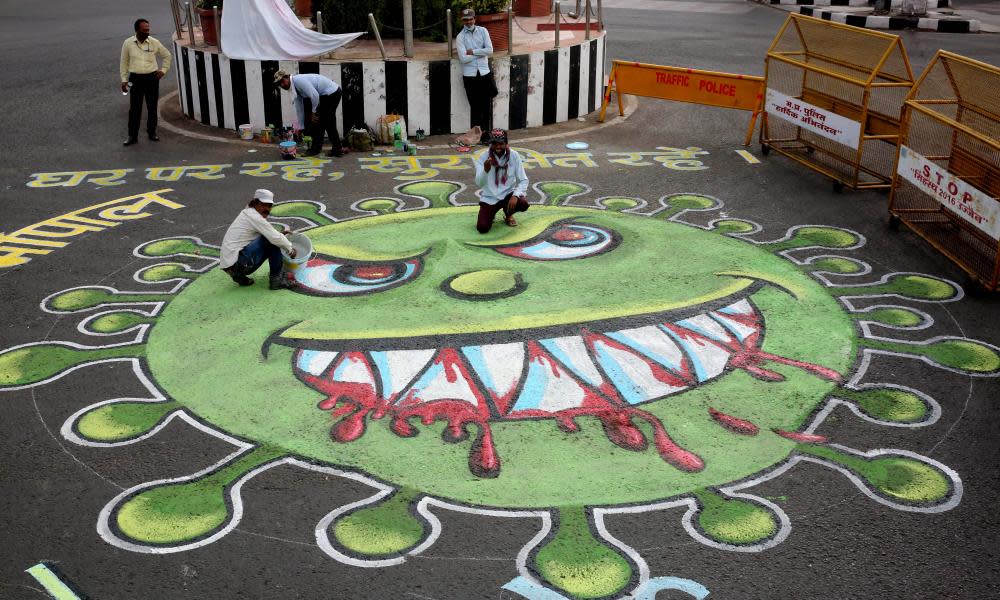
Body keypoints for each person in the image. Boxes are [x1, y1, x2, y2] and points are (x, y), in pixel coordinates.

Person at [219, 189, 297, 290]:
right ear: (255, 203)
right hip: (238, 263)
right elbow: (273, 238)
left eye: (269, 206)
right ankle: (276, 279)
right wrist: (291, 249)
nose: (267, 209)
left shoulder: (247, 213)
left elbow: (255, 238)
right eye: (263, 205)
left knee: (270, 239)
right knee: (271, 240)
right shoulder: (254, 217)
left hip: (230, 266)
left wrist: (279, 235)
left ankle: (239, 276)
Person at [120, 18, 172, 146]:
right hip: (135, 79)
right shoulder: (128, 43)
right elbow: (124, 62)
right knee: (134, 109)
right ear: (137, 30)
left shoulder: (154, 42)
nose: (147, 32)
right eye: (144, 30)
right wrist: (124, 80)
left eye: (148, 30)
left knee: (152, 107)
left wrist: (163, 71)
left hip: (151, 79)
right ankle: (132, 136)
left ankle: (152, 132)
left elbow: (167, 56)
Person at [274, 70, 344, 157]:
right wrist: (301, 127)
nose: (282, 85)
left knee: (323, 121)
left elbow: (315, 96)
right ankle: (336, 148)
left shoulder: (298, 81)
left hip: (331, 93)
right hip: (327, 94)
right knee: (326, 121)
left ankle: (320, 149)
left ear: (287, 77)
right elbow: (299, 108)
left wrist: (314, 112)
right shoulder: (294, 88)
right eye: (279, 84)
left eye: (282, 81)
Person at [474, 129, 530, 233]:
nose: (498, 147)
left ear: (506, 143)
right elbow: (479, 183)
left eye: (501, 143)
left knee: (523, 203)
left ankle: (508, 214)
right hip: (490, 197)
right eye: (494, 144)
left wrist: (515, 195)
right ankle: (491, 213)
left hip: (507, 195)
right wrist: (485, 171)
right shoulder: (483, 157)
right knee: (482, 228)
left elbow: (523, 180)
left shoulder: (514, 155)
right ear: (490, 144)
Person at [455, 8, 494, 144]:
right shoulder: (460, 37)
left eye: (470, 19)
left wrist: (472, 52)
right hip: (470, 77)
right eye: (466, 20)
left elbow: (490, 50)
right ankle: (476, 135)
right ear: (463, 21)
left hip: (484, 73)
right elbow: (462, 59)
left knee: (486, 106)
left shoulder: (483, 31)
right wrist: (479, 53)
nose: (468, 22)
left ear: (475, 19)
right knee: (475, 107)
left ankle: (486, 135)